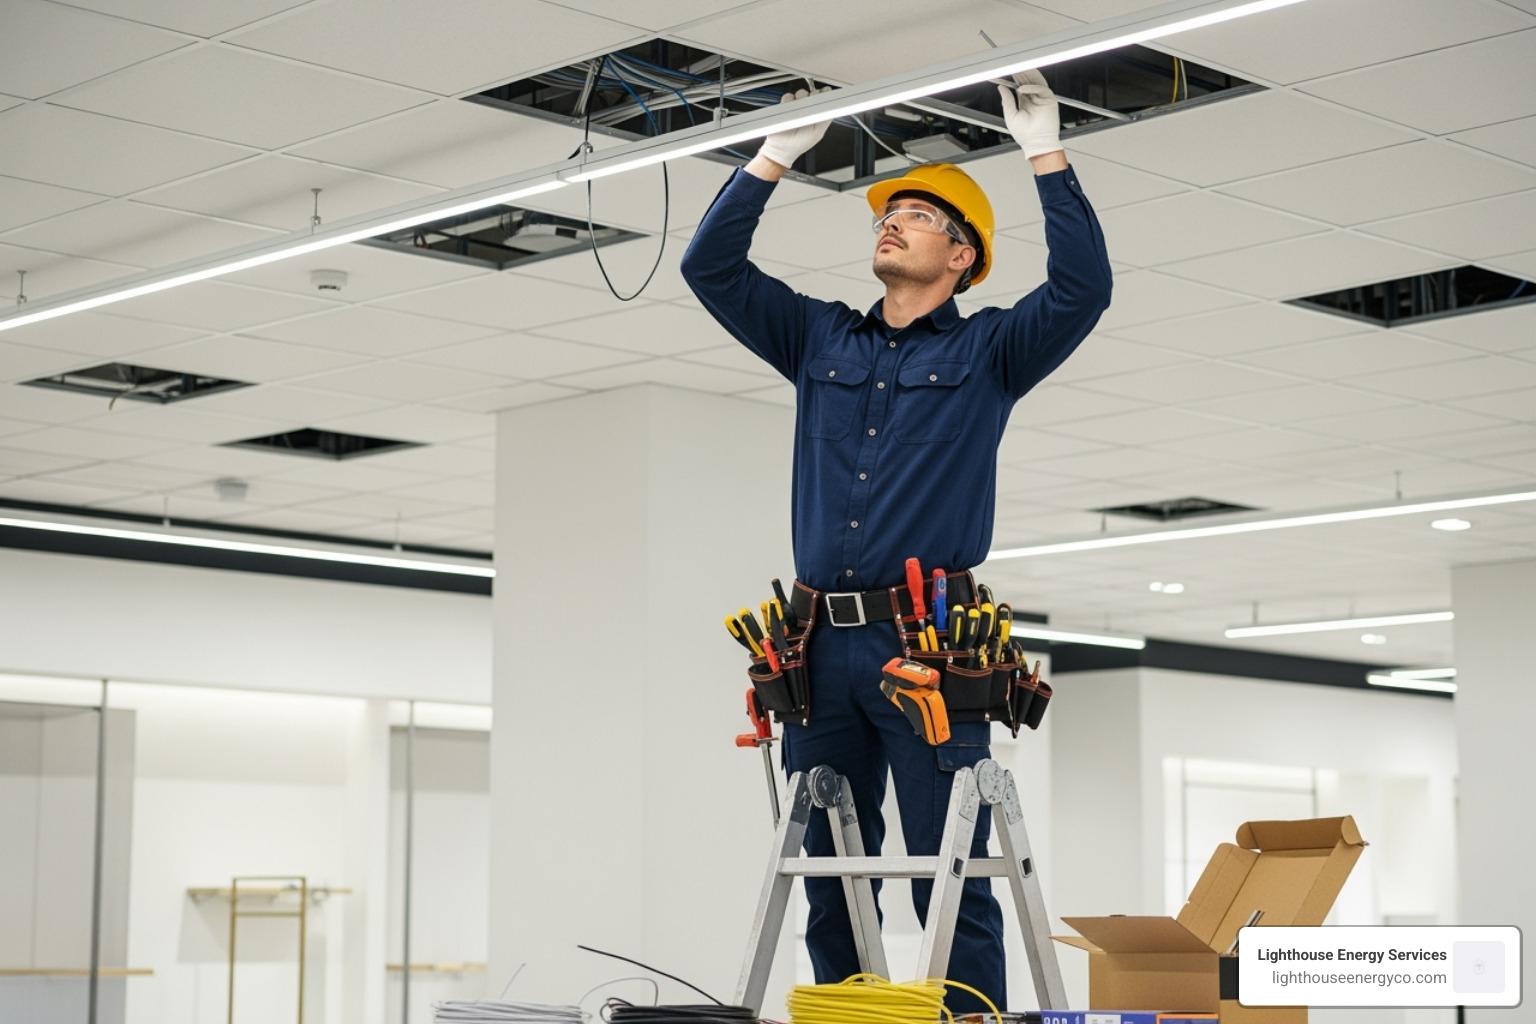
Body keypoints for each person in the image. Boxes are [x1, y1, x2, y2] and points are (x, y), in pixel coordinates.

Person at [680, 71, 1111, 1014]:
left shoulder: (990, 351)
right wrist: (775, 156)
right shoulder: (817, 340)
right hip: (816, 647)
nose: (890, 222)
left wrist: (1046, 151)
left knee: (943, 875)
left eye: (916, 216)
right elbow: (707, 270)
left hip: (926, 648)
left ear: (962, 257)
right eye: (887, 212)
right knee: (832, 883)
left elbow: (1084, 288)